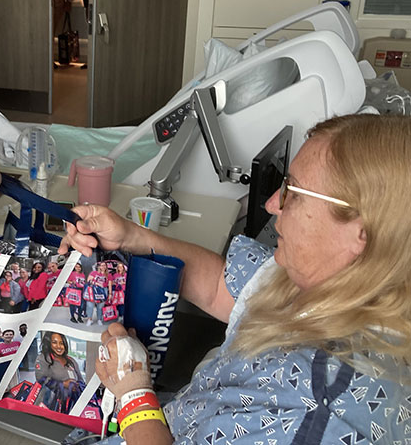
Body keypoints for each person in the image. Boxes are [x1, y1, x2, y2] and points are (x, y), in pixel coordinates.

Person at [60, 114, 411, 443]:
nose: (273, 204)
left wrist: (134, 394)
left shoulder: (321, 411)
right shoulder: (330, 283)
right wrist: (132, 238)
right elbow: (220, 287)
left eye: (294, 192)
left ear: (359, 233)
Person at [35, 331, 86, 414]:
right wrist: (64, 384)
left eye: (61, 343)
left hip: (72, 406)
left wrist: (76, 386)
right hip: (51, 407)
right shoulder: (43, 358)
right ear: (49, 344)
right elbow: (41, 379)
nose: (59, 346)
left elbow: (81, 380)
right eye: (54, 342)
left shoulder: (71, 361)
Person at [84, 260, 111, 325]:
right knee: (90, 305)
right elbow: (88, 281)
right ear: (99, 267)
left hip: (103, 291)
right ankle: (89, 319)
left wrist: (110, 294)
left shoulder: (108, 275)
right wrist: (98, 283)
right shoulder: (94, 273)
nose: (103, 267)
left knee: (100, 306)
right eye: (102, 265)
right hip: (93, 290)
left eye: (104, 265)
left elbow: (109, 285)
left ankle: (99, 319)